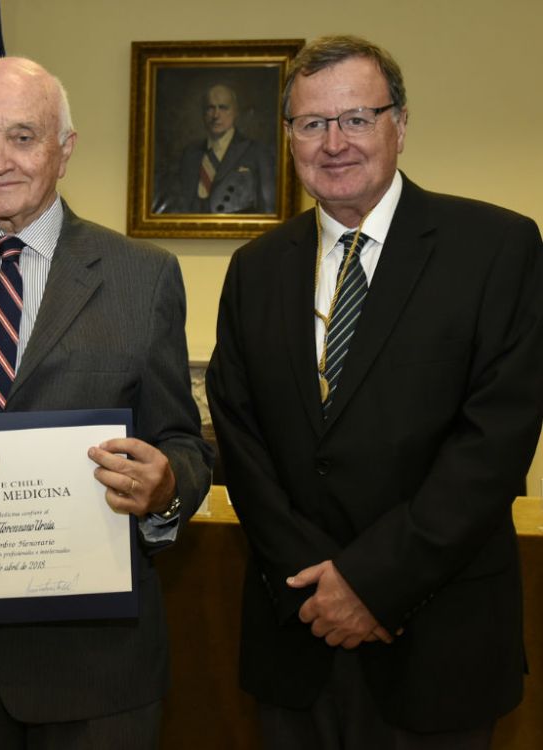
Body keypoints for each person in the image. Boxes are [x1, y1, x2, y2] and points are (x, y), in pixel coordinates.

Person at [206, 35, 543, 749]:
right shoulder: (255, 269)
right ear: (289, 135)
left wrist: (369, 585)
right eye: (312, 123)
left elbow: (493, 447)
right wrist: (317, 586)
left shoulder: (497, 248)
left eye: (357, 118)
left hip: (438, 642)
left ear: (401, 123)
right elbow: (240, 438)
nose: (335, 143)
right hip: (294, 640)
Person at [0, 56, 212, 749]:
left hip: (96, 669)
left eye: (23, 137)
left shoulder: (141, 277)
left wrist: (166, 483)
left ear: (65, 147)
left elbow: (182, 442)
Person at [167, 83, 275, 214]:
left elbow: (267, 209)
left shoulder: (257, 151)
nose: (216, 115)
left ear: (235, 112)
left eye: (223, 108)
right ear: (203, 113)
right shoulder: (190, 153)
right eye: (210, 108)